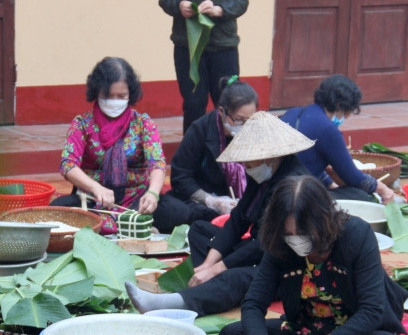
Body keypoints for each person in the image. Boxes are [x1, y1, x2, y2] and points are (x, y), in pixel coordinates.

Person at [218, 176, 408, 335]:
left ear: (322, 222)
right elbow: (254, 303)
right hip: (304, 328)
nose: (295, 239)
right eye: (288, 233)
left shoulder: (356, 234)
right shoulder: (280, 244)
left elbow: (371, 311)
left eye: (302, 233)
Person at [125, 111, 312, 316]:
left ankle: (179, 302)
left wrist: (217, 268)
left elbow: (264, 244)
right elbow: (237, 221)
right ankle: (208, 286)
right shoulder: (262, 174)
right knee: (199, 230)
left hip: (281, 262)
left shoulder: (292, 185)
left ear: (270, 157)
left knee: (235, 278)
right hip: (255, 248)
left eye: (249, 163)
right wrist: (208, 265)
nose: (246, 168)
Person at [52, 57, 167, 234]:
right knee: (56, 210)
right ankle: (132, 228)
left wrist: (152, 194)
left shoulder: (143, 123)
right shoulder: (82, 124)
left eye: (121, 96)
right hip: (92, 201)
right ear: (97, 93)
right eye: (107, 96)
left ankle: (118, 225)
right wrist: (96, 188)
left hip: (137, 201)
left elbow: (157, 163)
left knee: (177, 211)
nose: (114, 101)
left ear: (131, 94)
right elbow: (68, 165)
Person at [155, 76, 258, 232]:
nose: (244, 126)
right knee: (177, 212)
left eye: (250, 120)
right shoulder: (200, 130)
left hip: (243, 202)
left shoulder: (257, 132)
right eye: (238, 120)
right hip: (204, 201)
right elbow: (181, 178)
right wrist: (212, 201)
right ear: (222, 112)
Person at [280, 75, 396, 204]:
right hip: (295, 197)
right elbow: (353, 177)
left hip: (277, 189)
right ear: (340, 106)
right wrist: (383, 189)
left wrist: (331, 185)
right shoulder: (327, 129)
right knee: (359, 196)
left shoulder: (293, 112)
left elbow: (307, 162)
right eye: (348, 112)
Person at [159, 0, 249, 133]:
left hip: (223, 46)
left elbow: (241, 3)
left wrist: (220, 9)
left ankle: (231, 150)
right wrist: (179, 5)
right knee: (193, 104)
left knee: (229, 103)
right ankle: (193, 151)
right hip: (188, 47)